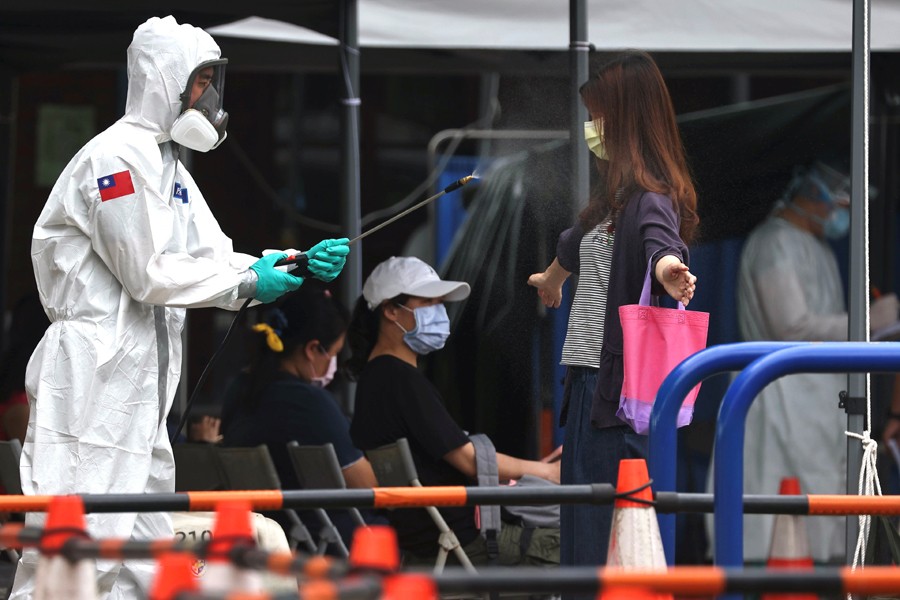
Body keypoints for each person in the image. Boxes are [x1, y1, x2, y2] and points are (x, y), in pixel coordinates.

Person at [12, 15, 349, 598]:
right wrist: (248, 284)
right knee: (73, 551)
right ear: (161, 78)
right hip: (92, 381)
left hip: (139, 385)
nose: (208, 97)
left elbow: (209, 255)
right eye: (200, 81)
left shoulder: (167, 165)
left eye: (211, 82)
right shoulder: (115, 160)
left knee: (141, 555)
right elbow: (146, 272)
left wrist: (288, 263)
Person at [527, 50, 699, 577]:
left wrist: (669, 270)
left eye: (598, 116)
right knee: (589, 533)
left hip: (614, 395)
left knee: (601, 543)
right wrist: (551, 279)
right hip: (588, 388)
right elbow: (573, 242)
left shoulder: (649, 199)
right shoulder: (617, 199)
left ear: (625, 119)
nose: (591, 128)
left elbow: (661, 244)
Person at [346, 256, 561, 567]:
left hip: (424, 541)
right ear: (391, 310)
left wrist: (536, 467)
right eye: (427, 302)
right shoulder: (401, 381)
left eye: (440, 303)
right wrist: (548, 472)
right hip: (465, 540)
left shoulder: (375, 378)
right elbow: (469, 460)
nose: (438, 312)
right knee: (578, 541)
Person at [735, 160, 899, 563]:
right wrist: (867, 321)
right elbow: (791, 327)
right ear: (812, 195)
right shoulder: (774, 242)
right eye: (840, 204)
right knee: (782, 514)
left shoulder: (818, 246)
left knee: (826, 511)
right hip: (783, 400)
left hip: (820, 401)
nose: (841, 215)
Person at [221, 284, 381, 548]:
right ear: (312, 349)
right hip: (325, 540)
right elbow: (367, 485)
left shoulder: (240, 390)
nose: (333, 364)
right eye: (334, 354)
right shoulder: (308, 402)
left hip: (264, 534)